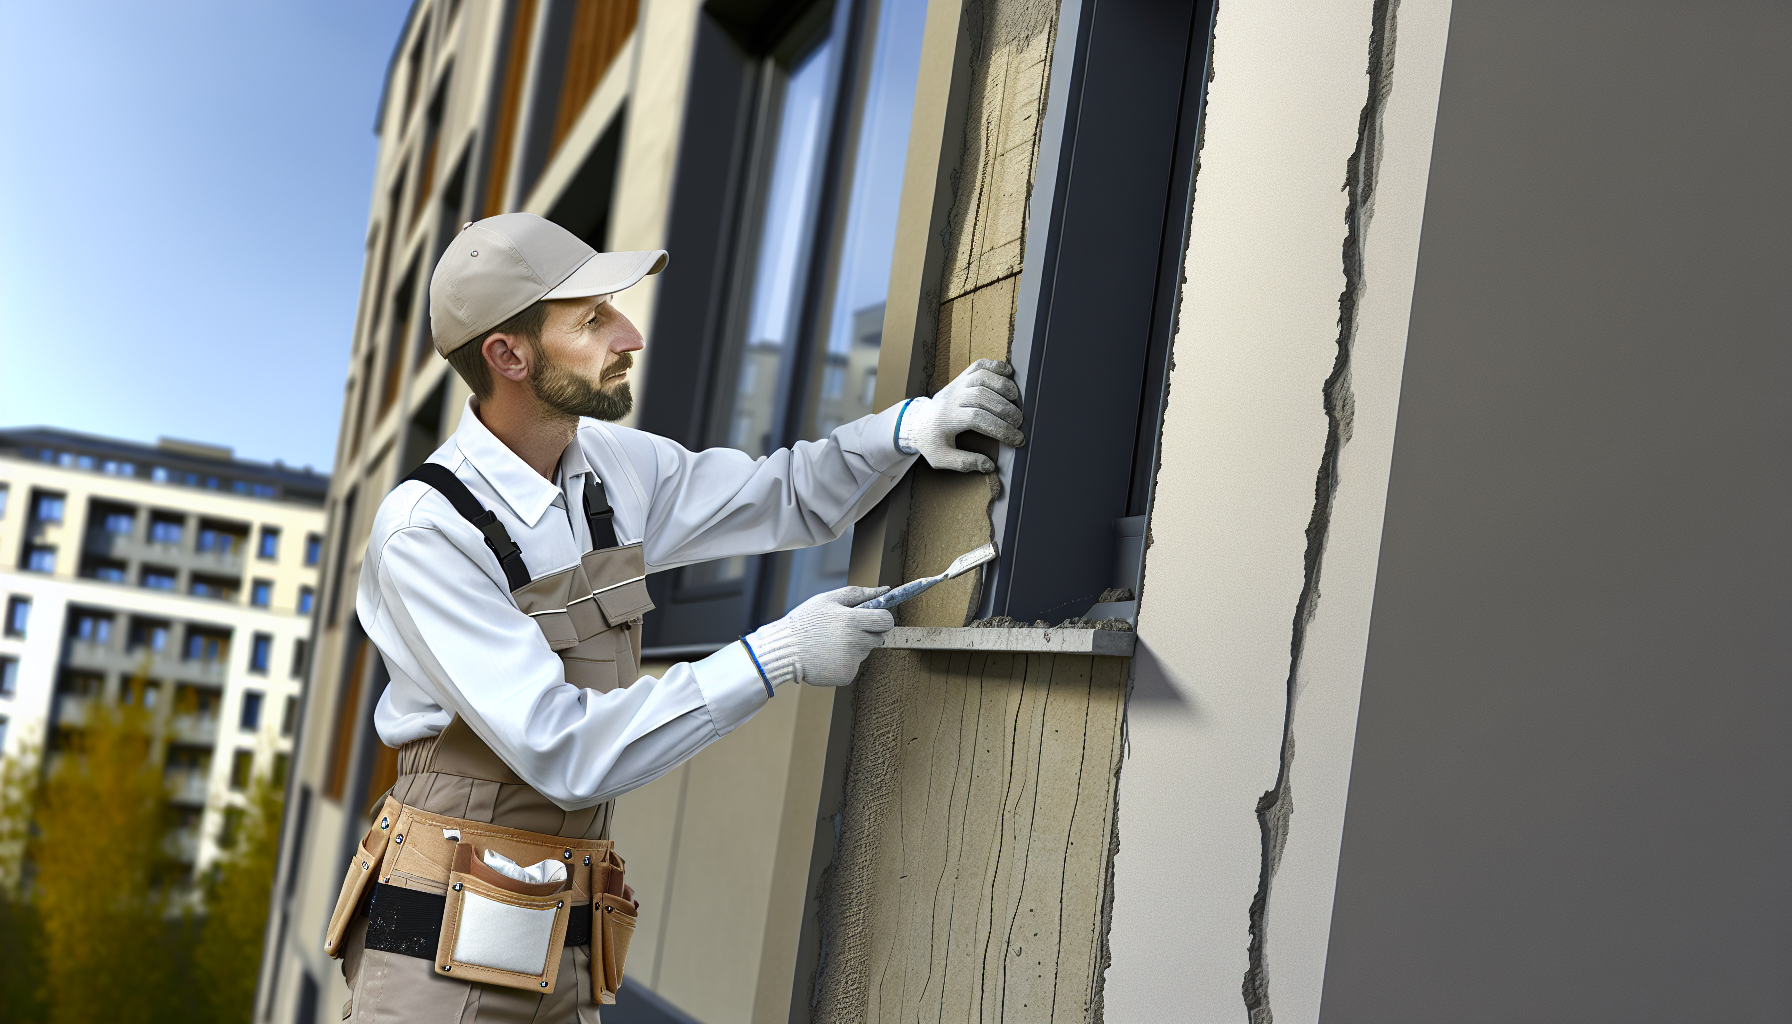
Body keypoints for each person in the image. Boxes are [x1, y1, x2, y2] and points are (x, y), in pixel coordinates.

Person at [325, 213, 1024, 1022]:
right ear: (508, 355)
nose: (630, 335)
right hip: (442, 948)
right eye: (592, 319)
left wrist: (909, 429)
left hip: (561, 927)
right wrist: (776, 656)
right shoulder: (427, 533)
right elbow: (563, 749)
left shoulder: (613, 467)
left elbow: (785, 495)